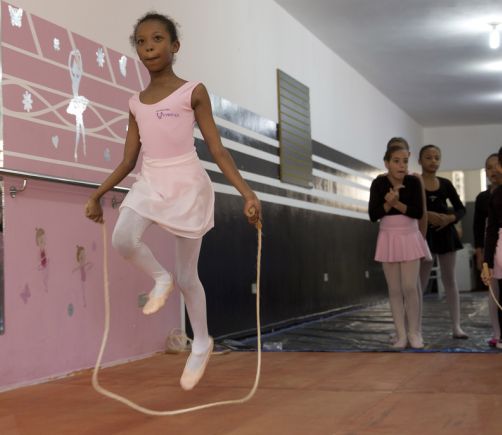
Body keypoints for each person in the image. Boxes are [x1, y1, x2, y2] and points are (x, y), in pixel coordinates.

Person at [84, 12, 261, 391]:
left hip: (187, 184)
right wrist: (98, 193)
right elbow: (128, 161)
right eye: (141, 42)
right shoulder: (135, 102)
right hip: (150, 180)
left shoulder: (193, 91)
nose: (149, 47)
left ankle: (202, 342)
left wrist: (247, 193)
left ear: (174, 45)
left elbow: (217, 149)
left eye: (157, 39)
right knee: (123, 239)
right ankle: (159, 278)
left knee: (187, 276)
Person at [369, 144, 429, 349]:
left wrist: (396, 203)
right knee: (394, 289)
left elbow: (418, 212)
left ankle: (414, 332)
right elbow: (373, 214)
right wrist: (388, 203)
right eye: (396, 161)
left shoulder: (413, 181)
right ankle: (401, 334)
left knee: (410, 286)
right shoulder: (378, 183)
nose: (401, 165)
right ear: (387, 163)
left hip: (409, 235)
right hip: (388, 236)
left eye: (405, 161)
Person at [418, 144, 468, 339]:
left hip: (446, 234)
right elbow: (410, 208)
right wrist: (427, 215)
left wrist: (450, 218)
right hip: (424, 235)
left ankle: (456, 326)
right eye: (429, 157)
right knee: (419, 283)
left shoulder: (445, 184)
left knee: (450, 280)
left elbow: (461, 209)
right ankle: (414, 327)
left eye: (437, 157)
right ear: (420, 160)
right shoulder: (414, 182)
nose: (433, 161)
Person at [473, 153, 502, 346]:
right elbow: (479, 227)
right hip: (492, 249)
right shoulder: (484, 198)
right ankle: (497, 333)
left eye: (496, 165)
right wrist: (480, 252)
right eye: (489, 167)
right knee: (494, 292)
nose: (494, 171)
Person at [482, 146, 502, 349]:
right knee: (498, 295)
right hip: (498, 250)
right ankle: (499, 334)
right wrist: (486, 261)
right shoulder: (494, 197)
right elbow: (490, 230)